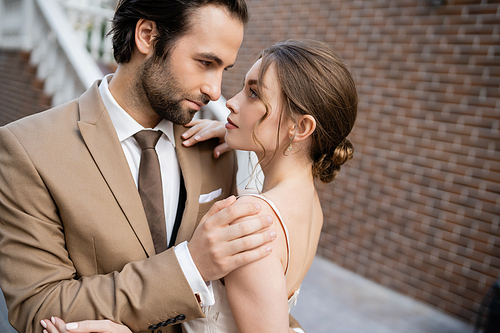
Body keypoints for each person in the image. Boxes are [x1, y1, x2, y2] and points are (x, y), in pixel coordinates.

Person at [0, 1, 308, 332]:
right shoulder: (27, 149)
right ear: (147, 35)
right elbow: (39, 308)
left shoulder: (218, 149)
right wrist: (192, 265)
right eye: (205, 62)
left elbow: (258, 294)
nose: (215, 91)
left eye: (224, 70)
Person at [40, 39, 358, 333]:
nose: (229, 101)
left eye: (254, 93)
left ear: (300, 127)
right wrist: (236, 133)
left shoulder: (249, 222)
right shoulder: (309, 204)